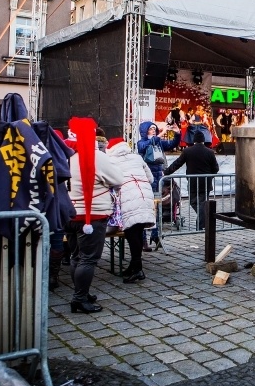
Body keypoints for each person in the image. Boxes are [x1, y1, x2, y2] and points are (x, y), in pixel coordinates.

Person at [66, 117, 124, 313]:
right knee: (88, 259)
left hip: (70, 213)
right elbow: (117, 179)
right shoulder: (96, 156)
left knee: (76, 256)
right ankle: (79, 298)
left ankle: (81, 292)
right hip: (92, 215)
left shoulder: (66, 154)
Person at [106, 137, 156, 283]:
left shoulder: (111, 160)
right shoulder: (137, 158)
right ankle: (134, 266)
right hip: (144, 195)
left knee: (131, 233)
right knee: (137, 232)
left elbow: (111, 181)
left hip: (128, 196)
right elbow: (151, 179)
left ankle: (138, 269)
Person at [137, 121, 180, 248]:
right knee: (146, 208)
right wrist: (161, 134)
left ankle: (155, 235)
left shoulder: (159, 142)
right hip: (147, 179)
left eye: (154, 129)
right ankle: (143, 239)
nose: (153, 131)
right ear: (145, 131)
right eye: (151, 129)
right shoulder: (142, 142)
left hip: (158, 178)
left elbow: (172, 144)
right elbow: (143, 147)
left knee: (157, 208)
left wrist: (177, 134)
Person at [164, 130, 219, 230]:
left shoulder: (187, 151)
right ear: (203, 140)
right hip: (206, 182)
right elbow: (216, 168)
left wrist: (165, 173)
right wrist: (210, 177)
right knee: (202, 203)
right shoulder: (210, 152)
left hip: (193, 182)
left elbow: (177, 164)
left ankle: (201, 225)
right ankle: (204, 221)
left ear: (194, 141)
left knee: (193, 202)